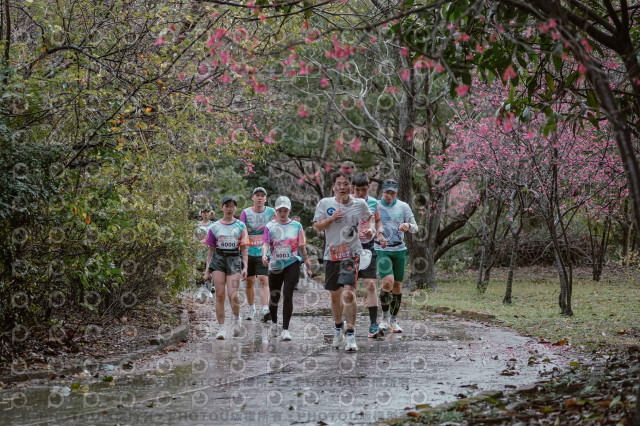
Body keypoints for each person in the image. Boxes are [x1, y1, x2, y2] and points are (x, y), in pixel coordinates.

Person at [313, 172, 374, 352]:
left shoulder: (359, 204)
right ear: (334, 187)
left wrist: (370, 229)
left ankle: (351, 334)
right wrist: (331, 219)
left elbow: (370, 218)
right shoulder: (325, 203)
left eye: (345, 184)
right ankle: (338, 326)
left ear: (351, 187)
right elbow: (317, 227)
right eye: (339, 184)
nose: (342, 187)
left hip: (351, 254)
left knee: (348, 293)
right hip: (331, 256)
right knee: (335, 295)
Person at [261, 196, 312, 341]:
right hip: (275, 265)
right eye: (280, 210)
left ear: (289, 210)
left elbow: (302, 248)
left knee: (288, 294)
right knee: (274, 296)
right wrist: (264, 255)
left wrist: (308, 266)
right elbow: (265, 243)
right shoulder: (270, 226)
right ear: (276, 211)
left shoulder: (297, 226)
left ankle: (285, 329)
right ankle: (274, 323)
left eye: (285, 210)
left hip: (292, 263)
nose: (283, 213)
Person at [375, 179, 418, 334]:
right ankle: (384, 318)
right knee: (387, 282)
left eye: (392, 193)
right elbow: (368, 225)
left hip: (399, 249)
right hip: (382, 249)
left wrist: (408, 225)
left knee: (397, 286)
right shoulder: (375, 206)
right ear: (382, 192)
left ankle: (393, 319)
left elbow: (415, 227)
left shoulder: (403, 206)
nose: (390, 195)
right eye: (387, 192)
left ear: (396, 193)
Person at [203, 196, 249, 340]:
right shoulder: (214, 227)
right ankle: (221, 328)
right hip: (218, 259)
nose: (229, 208)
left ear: (236, 208)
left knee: (233, 294)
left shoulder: (241, 226)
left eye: (232, 206)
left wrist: (245, 266)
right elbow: (210, 250)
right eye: (227, 206)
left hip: (234, 259)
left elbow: (244, 249)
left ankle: (236, 318)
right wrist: (207, 270)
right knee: (220, 294)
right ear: (222, 207)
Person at [351, 174, 387, 338]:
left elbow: (378, 221)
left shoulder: (373, 203)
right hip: (349, 248)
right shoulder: (346, 202)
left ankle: (373, 324)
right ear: (353, 188)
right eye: (357, 190)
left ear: (369, 188)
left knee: (371, 284)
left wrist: (379, 234)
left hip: (368, 247)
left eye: (364, 190)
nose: (360, 193)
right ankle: (346, 322)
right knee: (349, 287)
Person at [239, 187, 275, 322]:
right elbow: (241, 230)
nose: (260, 198)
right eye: (257, 195)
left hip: (264, 252)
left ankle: (265, 309)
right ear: (252, 198)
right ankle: (251, 308)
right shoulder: (245, 212)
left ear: (265, 199)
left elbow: (276, 229)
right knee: (249, 281)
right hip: (248, 252)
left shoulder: (271, 212)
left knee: (263, 279)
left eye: (262, 195)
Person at [196, 206, 216, 293]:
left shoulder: (214, 225)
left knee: (211, 268)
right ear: (201, 213)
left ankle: (210, 287)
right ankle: (199, 289)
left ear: (210, 213)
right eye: (204, 212)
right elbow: (193, 237)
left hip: (211, 250)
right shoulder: (197, 225)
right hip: (199, 251)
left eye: (207, 212)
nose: (206, 214)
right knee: (200, 269)